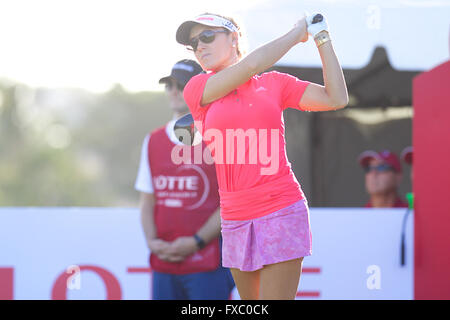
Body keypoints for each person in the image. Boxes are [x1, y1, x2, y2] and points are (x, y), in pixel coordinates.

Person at [175, 12, 348, 300]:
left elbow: (336, 98)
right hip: (234, 217)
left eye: (207, 36)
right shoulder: (197, 88)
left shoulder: (275, 83)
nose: (199, 47)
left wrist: (321, 38)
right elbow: (251, 64)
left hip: (281, 206)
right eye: (194, 43)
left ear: (234, 38)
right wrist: (296, 34)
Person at [134, 59, 234, 300]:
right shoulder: (153, 139)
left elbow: (231, 203)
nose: (175, 91)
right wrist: (152, 242)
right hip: (164, 262)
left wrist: (196, 241)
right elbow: (147, 201)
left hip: (209, 263)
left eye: (182, 84)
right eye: (169, 85)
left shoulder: (220, 137)